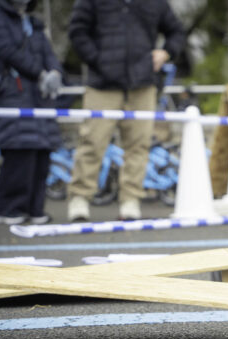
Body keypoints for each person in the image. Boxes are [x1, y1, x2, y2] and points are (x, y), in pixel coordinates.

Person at [67, 0, 185, 221]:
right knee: (92, 141)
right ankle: (79, 198)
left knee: (139, 145)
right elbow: (77, 32)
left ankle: (130, 199)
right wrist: (97, 60)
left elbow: (176, 30)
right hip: (102, 85)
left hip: (142, 85)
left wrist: (167, 52)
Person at [0, 0, 63, 225]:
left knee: (42, 153)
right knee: (20, 151)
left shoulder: (31, 21)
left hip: (40, 96)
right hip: (12, 93)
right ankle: (9, 209)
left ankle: (35, 209)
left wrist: (55, 72)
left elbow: (48, 52)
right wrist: (39, 73)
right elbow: (3, 49)